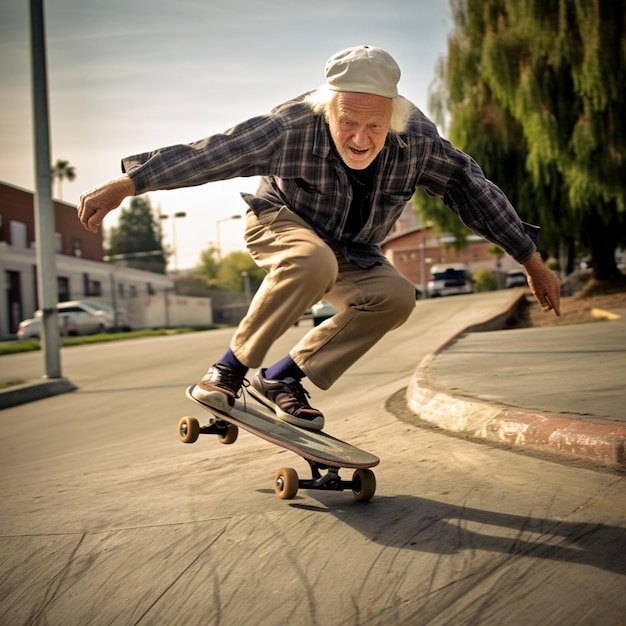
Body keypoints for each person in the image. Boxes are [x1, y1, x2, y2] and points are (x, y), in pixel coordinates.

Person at [78, 45, 560, 431]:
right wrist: (131, 182)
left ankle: (283, 377)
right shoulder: (292, 127)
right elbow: (216, 152)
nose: (359, 138)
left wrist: (531, 260)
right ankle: (227, 369)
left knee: (395, 296)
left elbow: (471, 190)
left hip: (353, 249)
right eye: (348, 121)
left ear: (393, 116)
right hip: (280, 223)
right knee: (312, 261)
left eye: (375, 125)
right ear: (327, 108)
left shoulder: (418, 141)